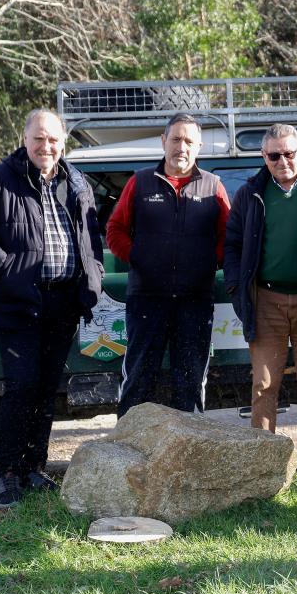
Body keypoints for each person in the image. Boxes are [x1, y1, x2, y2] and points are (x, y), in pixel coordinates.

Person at [0, 110, 104, 508]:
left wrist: (94, 273)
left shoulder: (76, 182)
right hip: (20, 303)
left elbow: (91, 236)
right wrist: (6, 268)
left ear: (63, 143)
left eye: (53, 139)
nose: (46, 146)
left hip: (63, 303)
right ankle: (6, 474)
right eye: (39, 139)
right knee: (20, 387)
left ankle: (35, 468)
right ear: (25, 139)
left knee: (46, 390)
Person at [224, 124, 297, 483]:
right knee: (264, 384)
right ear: (264, 157)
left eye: (290, 153)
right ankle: (264, 460)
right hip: (266, 299)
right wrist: (235, 288)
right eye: (275, 155)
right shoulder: (249, 194)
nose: (283, 161)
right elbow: (233, 245)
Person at [107, 113, 230, 417]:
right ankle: (128, 453)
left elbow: (228, 238)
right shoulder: (140, 182)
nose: (181, 147)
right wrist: (140, 258)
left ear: (199, 146)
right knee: (138, 378)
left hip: (195, 301)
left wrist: (205, 264)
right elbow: (115, 230)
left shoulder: (214, 187)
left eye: (189, 141)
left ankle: (189, 458)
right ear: (163, 141)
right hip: (147, 298)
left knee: (189, 382)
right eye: (175, 139)